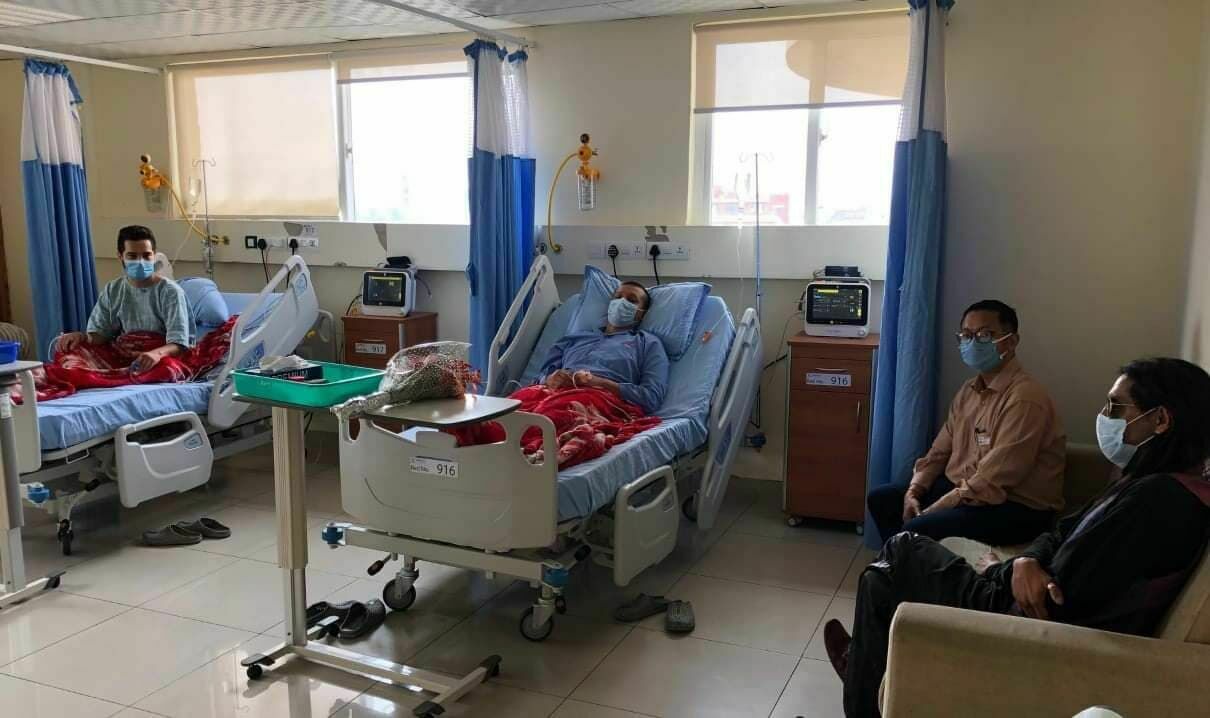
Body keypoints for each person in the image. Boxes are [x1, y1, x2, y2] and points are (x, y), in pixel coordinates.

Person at [826, 357, 1210, 718]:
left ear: (1160, 419)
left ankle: (864, 677)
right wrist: (1025, 560)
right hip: (1027, 588)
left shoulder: (1158, 501)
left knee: (901, 552)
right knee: (891, 553)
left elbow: (1060, 593)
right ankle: (866, 665)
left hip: (1026, 621)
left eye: (1116, 407)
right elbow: (1063, 531)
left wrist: (1001, 571)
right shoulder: (1146, 480)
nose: (1105, 417)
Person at [866, 300, 1065, 545]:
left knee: (917, 528)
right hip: (964, 490)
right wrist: (913, 491)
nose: (973, 343)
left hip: (1015, 506)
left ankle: (905, 560)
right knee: (883, 499)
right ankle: (903, 563)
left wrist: (935, 509)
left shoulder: (1025, 399)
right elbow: (938, 453)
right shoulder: (968, 391)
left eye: (984, 335)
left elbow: (994, 479)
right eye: (967, 335)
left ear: (1011, 341)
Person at [57, 225, 190, 374]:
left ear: (154, 255)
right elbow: (101, 334)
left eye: (146, 255)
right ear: (120, 256)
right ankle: (116, 374)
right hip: (122, 355)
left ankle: (120, 375)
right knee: (71, 356)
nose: (140, 262)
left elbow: (179, 343)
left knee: (167, 370)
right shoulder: (113, 290)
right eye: (132, 256)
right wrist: (81, 337)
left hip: (160, 356)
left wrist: (156, 354)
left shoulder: (170, 292)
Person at [538, 281, 669, 414]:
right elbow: (539, 380)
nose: (621, 302)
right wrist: (551, 379)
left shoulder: (647, 343)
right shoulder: (573, 339)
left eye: (632, 300)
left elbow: (651, 398)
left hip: (598, 404)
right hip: (552, 396)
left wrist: (597, 382)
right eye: (618, 297)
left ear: (641, 314)